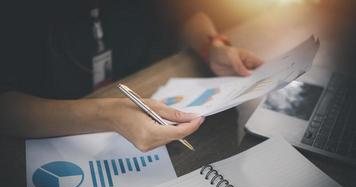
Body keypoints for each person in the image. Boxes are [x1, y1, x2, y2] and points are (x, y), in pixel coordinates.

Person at [0, 1, 263, 152]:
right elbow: (7, 111)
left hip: (150, 90)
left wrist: (212, 46)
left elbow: (185, 12)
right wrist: (107, 115)